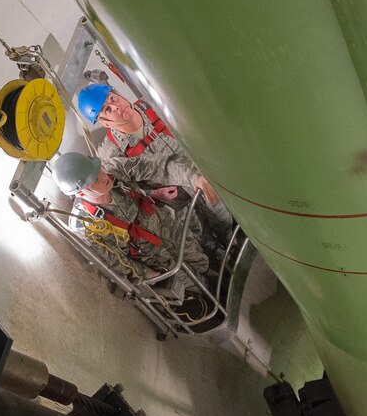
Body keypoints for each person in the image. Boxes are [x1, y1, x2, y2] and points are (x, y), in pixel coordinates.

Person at [77, 83, 233, 248]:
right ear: (105, 124)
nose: (116, 107)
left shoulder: (154, 104)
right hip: (174, 200)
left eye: (113, 99)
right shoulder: (112, 153)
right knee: (201, 236)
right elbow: (124, 190)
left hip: (199, 176)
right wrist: (152, 194)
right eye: (107, 110)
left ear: (119, 94)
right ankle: (222, 257)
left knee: (223, 217)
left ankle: (234, 244)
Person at [51, 152, 209, 293]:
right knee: (196, 285)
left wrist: (192, 177)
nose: (104, 176)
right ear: (80, 192)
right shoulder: (84, 225)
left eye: (98, 169)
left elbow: (157, 166)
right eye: (95, 181)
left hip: (171, 229)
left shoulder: (114, 169)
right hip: (158, 259)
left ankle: (212, 276)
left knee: (201, 262)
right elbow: (118, 263)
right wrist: (152, 276)